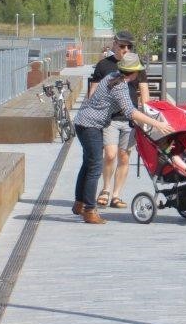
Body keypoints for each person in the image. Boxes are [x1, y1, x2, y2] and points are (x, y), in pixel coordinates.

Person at [73, 53, 173, 224]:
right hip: (91, 126)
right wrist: (158, 125)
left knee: (87, 163)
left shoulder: (112, 76)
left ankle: (80, 203)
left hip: (83, 121)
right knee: (95, 166)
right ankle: (89, 210)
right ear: (133, 73)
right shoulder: (120, 86)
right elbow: (131, 112)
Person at [89, 30, 149, 209]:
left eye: (129, 46)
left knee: (124, 157)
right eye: (122, 45)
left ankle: (116, 195)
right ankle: (105, 189)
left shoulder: (138, 66)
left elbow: (145, 94)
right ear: (114, 44)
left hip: (130, 119)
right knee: (110, 154)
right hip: (110, 118)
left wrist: (146, 119)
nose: (126, 49)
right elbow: (93, 93)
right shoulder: (104, 65)